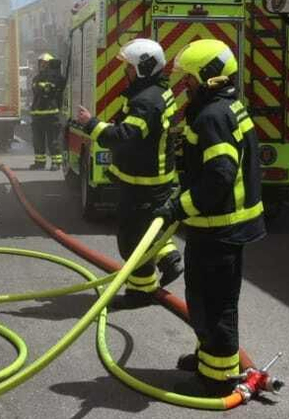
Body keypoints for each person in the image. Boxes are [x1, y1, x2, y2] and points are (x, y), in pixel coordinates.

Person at [155, 39, 265, 392]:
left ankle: (217, 377)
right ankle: (209, 356)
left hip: (219, 230)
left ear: (209, 78)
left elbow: (218, 176)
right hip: (220, 227)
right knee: (203, 299)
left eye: (189, 79)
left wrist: (178, 207)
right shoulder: (226, 106)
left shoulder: (212, 116)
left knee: (214, 305)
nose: (184, 86)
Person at [72, 38, 183, 307]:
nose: (126, 72)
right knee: (147, 229)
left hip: (142, 182)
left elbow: (124, 137)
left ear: (143, 68)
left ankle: (142, 291)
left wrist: (92, 124)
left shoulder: (145, 101)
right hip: (152, 179)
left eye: (129, 68)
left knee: (131, 240)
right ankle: (168, 259)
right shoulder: (158, 92)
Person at [28, 54, 65, 170]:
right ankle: (40, 162)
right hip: (37, 116)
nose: (42, 66)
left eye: (44, 63)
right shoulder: (37, 78)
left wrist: (45, 87)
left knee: (53, 141)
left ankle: (56, 163)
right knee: (38, 141)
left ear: (49, 64)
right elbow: (39, 90)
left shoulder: (57, 78)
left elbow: (49, 91)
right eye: (40, 63)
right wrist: (44, 87)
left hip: (51, 115)